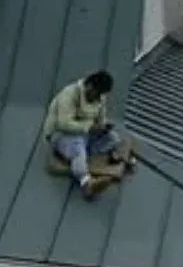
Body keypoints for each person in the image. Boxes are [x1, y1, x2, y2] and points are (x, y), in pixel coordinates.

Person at [42, 70, 128, 198]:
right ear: (90, 86)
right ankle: (86, 183)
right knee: (77, 145)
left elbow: (100, 119)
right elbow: (63, 123)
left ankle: (78, 156)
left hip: (85, 135)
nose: (98, 98)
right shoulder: (69, 94)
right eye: (97, 93)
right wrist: (89, 127)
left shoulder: (100, 99)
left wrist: (103, 127)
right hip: (61, 135)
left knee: (113, 138)